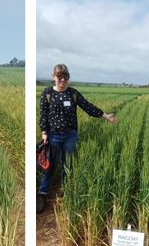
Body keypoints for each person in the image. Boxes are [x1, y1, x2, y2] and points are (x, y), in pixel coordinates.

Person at [36, 64, 118, 214]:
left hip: (70, 136)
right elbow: (43, 114)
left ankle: (66, 193)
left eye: (65, 77)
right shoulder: (47, 93)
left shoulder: (73, 93)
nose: (62, 80)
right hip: (53, 136)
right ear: (53, 76)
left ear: (68, 78)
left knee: (68, 166)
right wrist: (44, 133)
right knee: (49, 167)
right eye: (59, 77)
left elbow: (87, 106)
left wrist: (105, 116)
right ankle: (42, 195)